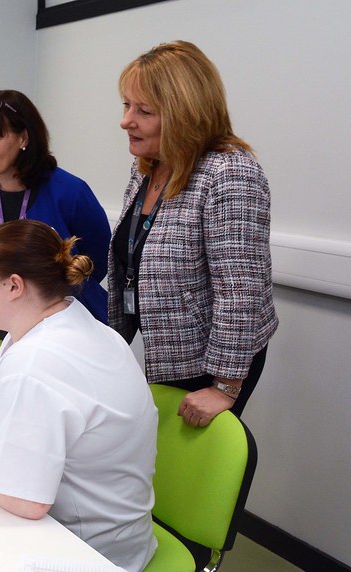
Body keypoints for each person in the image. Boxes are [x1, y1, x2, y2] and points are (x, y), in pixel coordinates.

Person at [0, 220, 157, 572]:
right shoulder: (62, 321)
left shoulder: (36, 363)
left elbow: (26, 500)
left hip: (88, 553)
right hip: (114, 529)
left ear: (14, 286)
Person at [112, 41, 278, 426]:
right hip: (169, 350)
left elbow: (240, 291)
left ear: (185, 114)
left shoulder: (229, 173)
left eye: (144, 111)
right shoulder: (147, 167)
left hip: (214, 364)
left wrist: (225, 387)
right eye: (126, 105)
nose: (126, 121)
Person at [0, 90, 111, 324]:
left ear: (23, 138)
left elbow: (98, 261)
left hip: (63, 327)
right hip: (1, 325)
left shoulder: (70, 191)